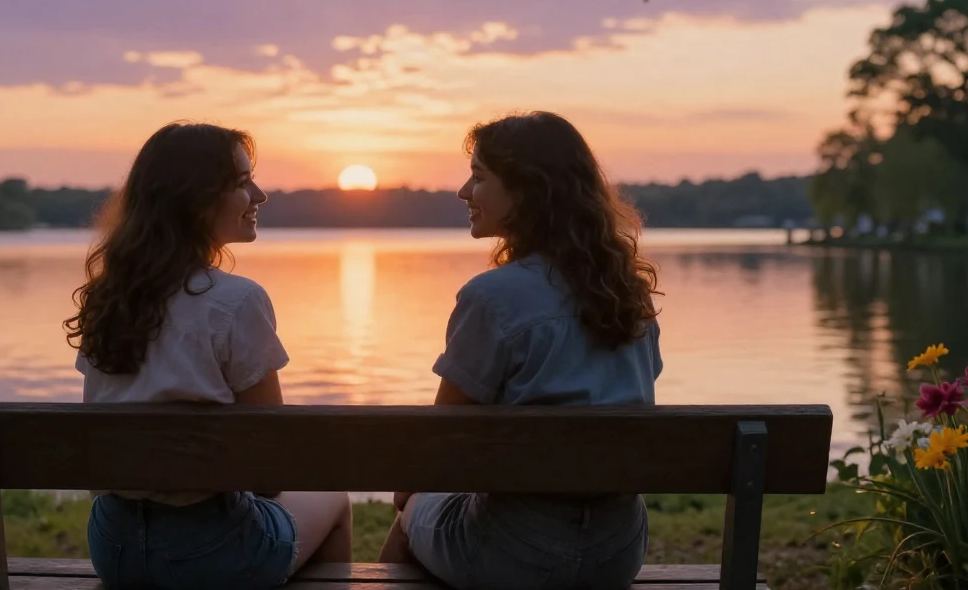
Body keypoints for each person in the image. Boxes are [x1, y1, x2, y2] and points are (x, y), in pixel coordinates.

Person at [379, 111, 663, 590]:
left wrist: (408, 494)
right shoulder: (628, 297)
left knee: (415, 509)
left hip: (514, 552)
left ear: (528, 192)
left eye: (479, 177)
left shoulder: (492, 297)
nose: (464, 193)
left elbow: (441, 439)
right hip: (617, 550)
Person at [64, 122, 352, 590]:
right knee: (333, 500)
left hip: (112, 546)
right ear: (195, 201)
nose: (259, 195)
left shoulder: (108, 299)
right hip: (210, 551)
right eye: (242, 183)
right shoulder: (236, 301)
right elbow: (270, 461)